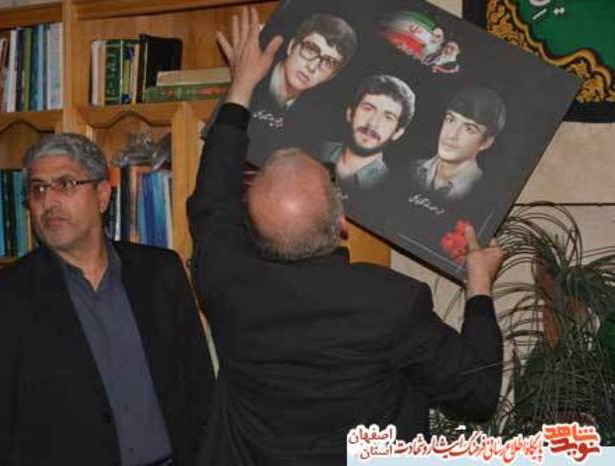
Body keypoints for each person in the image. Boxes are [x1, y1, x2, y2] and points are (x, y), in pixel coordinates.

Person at [189, 8, 504, 465]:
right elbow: (477, 393)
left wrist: (240, 88)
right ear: (341, 223)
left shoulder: (225, 279)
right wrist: (479, 285)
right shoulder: (389, 303)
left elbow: (212, 200)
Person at [0, 133, 214, 466]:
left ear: (102, 195)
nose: (49, 201)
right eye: (38, 189)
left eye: (65, 184)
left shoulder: (160, 273)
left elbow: (200, 389)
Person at [248, 12, 357, 166]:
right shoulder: (252, 77)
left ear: (331, 76)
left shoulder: (314, 123)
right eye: (311, 49)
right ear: (292, 46)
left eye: (328, 62)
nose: (312, 67)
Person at [319, 74, 415, 192]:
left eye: (388, 117)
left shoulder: (390, 190)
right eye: (368, 109)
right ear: (350, 113)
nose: (373, 123)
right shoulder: (314, 150)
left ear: (398, 133)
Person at [413, 87, 506, 201]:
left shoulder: (483, 192)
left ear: (486, 143)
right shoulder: (412, 170)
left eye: (469, 129)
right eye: (450, 120)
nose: (451, 135)